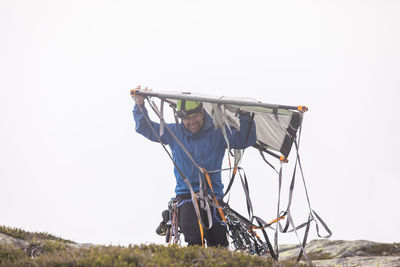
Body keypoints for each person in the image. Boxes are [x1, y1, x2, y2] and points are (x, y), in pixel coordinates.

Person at [132, 85, 257, 247]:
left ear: (202, 112)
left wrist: (245, 115)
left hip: (214, 199)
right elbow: (144, 128)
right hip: (186, 198)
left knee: (219, 246)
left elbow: (246, 140)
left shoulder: (218, 133)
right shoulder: (173, 133)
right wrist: (139, 104)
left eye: (194, 116)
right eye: (186, 118)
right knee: (194, 241)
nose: (190, 122)